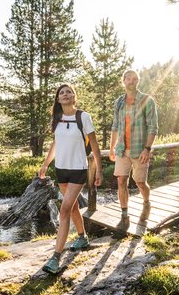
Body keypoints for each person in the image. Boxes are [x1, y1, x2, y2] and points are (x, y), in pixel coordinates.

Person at [38, 83, 102, 274]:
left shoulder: (83, 116)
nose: (65, 94)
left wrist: (98, 170)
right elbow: (55, 144)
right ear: (58, 99)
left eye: (69, 92)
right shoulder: (57, 119)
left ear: (75, 96)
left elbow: (96, 146)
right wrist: (45, 164)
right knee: (72, 206)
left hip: (78, 169)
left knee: (64, 210)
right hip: (61, 170)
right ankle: (82, 238)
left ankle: (56, 258)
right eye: (62, 93)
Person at [109, 69, 158, 231]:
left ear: (138, 81)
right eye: (128, 79)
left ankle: (146, 203)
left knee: (140, 182)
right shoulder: (119, 102)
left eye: (135, 79)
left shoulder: (147, 101)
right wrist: (111, 148)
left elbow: (153, 127)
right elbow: (115, 126)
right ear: (123, 81)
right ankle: (124, 217)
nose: (132, 81)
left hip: (140, 150)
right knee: (121, 181)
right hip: (122, 149)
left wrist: (147, 149)